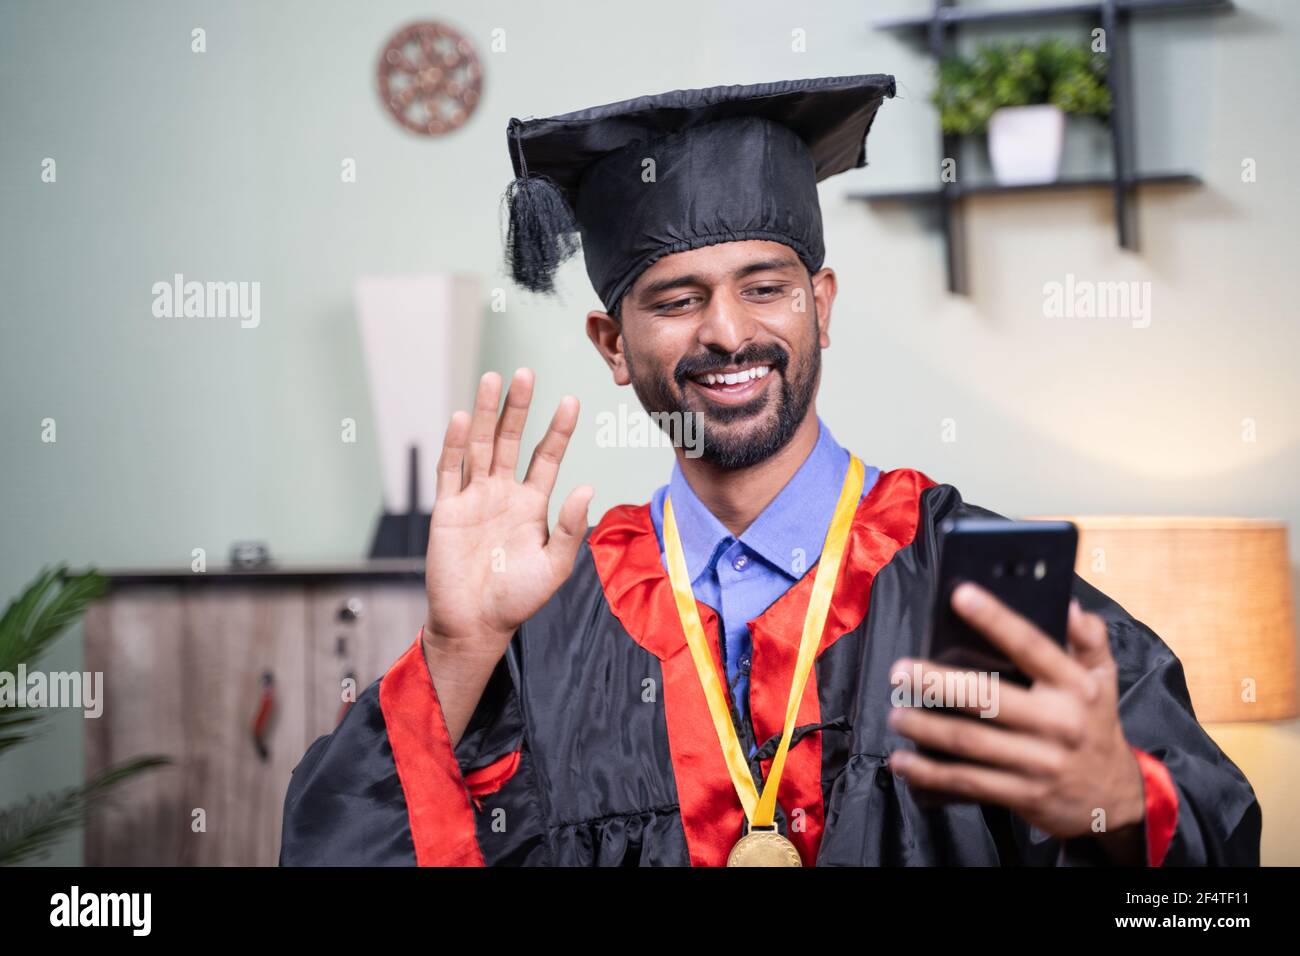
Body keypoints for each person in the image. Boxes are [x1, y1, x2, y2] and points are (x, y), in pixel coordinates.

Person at [279, 75, 1260, 866]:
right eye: (674, 298)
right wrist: (454, 647)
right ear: (611, 344)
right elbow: (338, 851)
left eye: (766, 286)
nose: (729, 330)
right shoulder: (541, 620)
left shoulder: (979, 588)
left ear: (820, 306)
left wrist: (1122, 811)